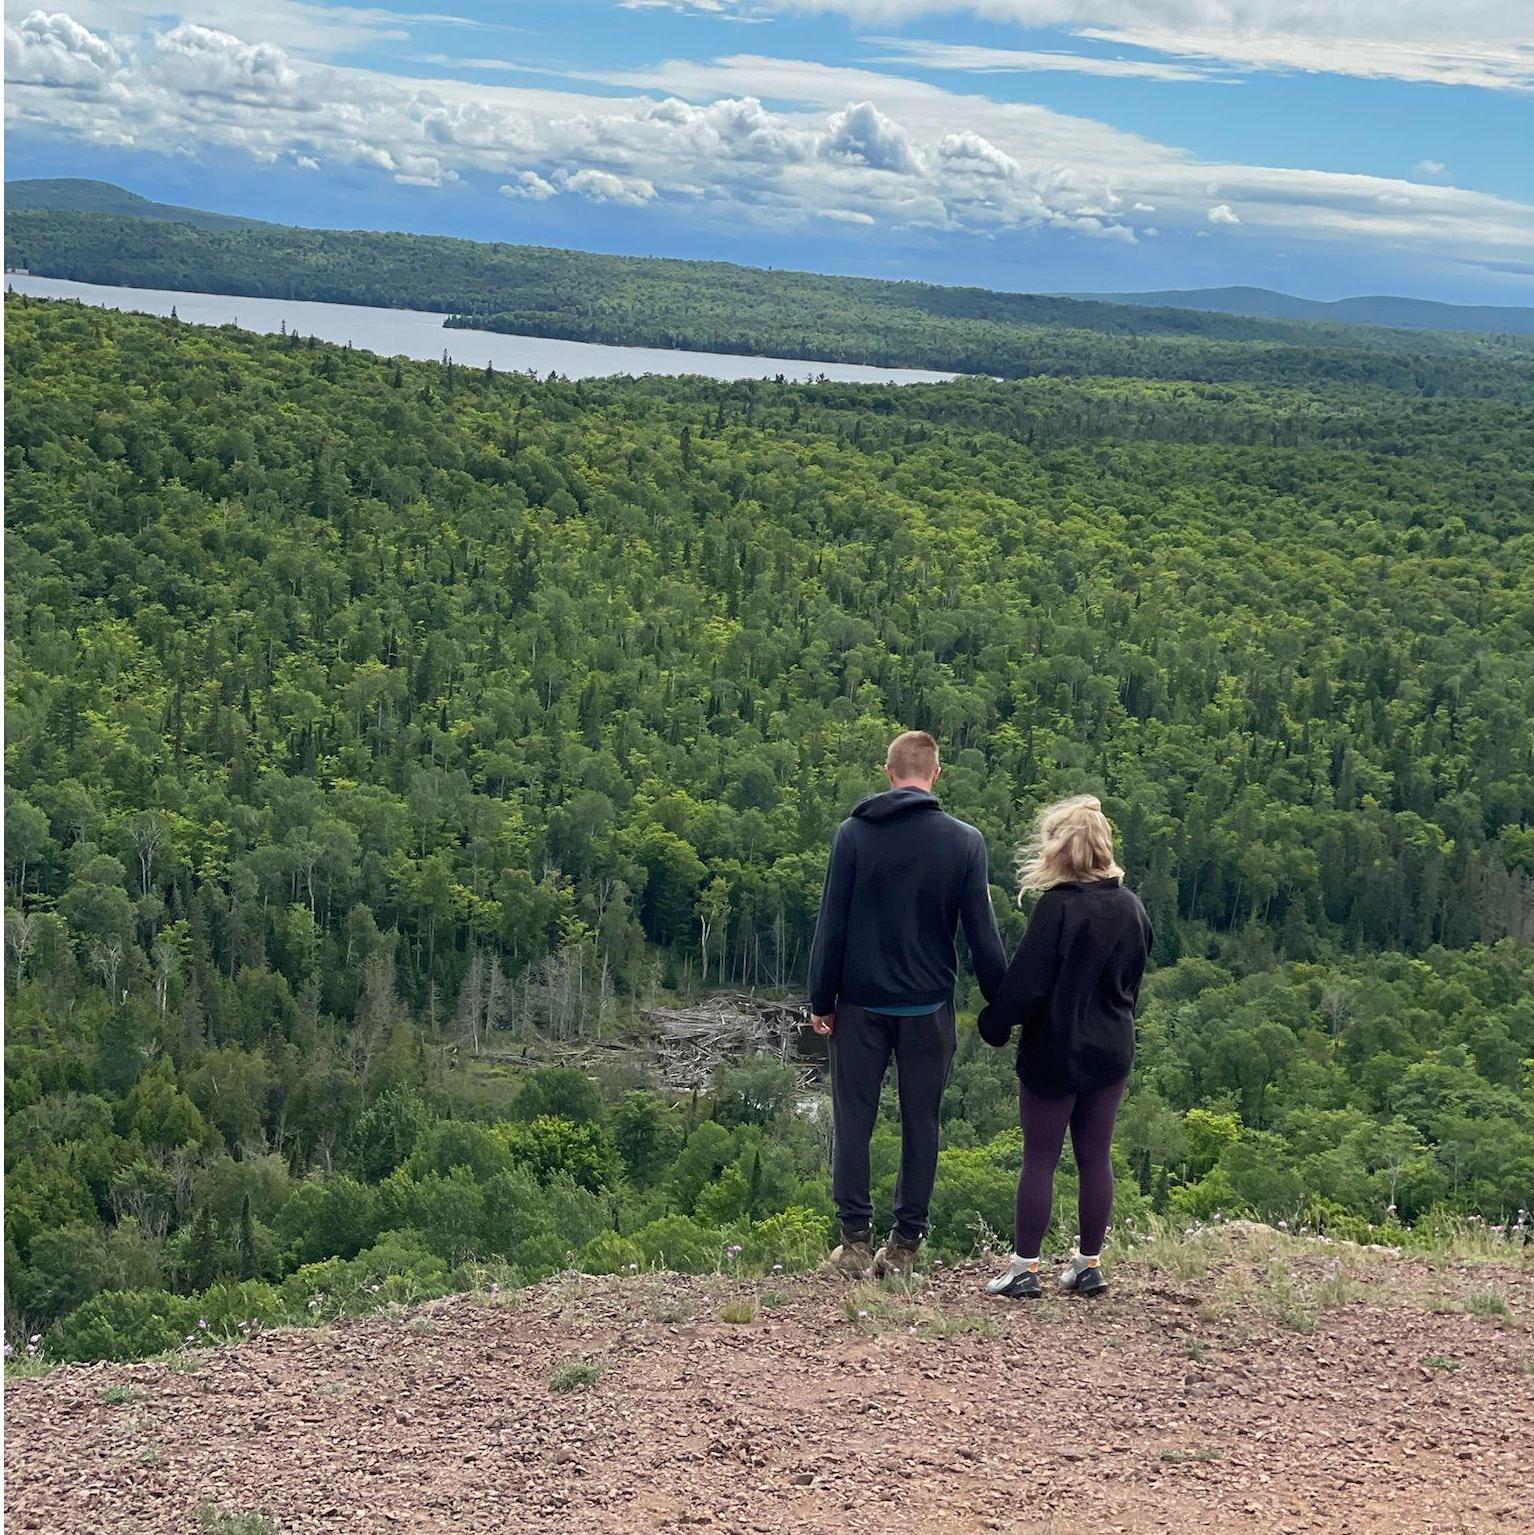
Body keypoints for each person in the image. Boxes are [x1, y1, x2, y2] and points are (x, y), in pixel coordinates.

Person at [808, 730, 1007, 1279]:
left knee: (855, 1120)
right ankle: (902, 1248)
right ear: (935, 774)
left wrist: (821, 999)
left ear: (889, 772)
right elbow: (982, 937)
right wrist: (1004, 1006)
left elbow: (832, 926)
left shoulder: (853, 835)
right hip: (928, 1009)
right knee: (922, 1123)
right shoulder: (965, 842)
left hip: (861, 1005)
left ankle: (852, 1242)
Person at [977, 795, 1152, 1300]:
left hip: (1055, 1052)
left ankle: (1024, 1269)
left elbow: (1026, 987)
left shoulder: (1058, 908)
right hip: (1112, 1050)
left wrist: (994, 1024)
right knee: (1096, 1158)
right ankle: (1088, 1265)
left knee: (1040, 1158)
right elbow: (1133, 982)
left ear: (1061, 849)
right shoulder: (1132, 907)